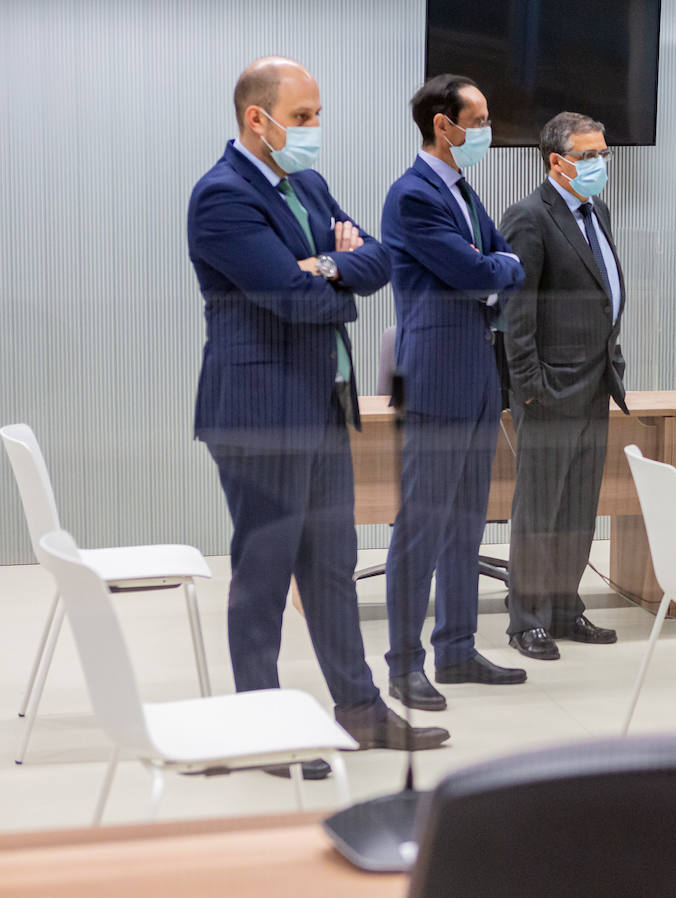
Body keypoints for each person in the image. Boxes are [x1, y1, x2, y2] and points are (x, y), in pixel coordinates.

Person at [187, 57, 450, 777]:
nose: (314, 130)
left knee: (332, 565)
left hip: (323, 404)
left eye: (315, 115)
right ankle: (262, 726)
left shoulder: (307, 183)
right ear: (256, 119)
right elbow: (291, 300)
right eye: (302, 117)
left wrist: (325, 268)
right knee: (265, 573)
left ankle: (360, 709)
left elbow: (379, 259)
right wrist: (330, 276)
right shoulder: (221, 196)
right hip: (260, 413)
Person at [380, 74, 528, 711]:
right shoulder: (413, 196)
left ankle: (458, 648)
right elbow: (478, 270)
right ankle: (404, 664)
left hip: (475, 375)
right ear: (445, 125)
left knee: (467, 523)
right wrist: (491, 267)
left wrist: (491, 267)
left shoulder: (464, 191)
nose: (488, 131)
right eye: (482, 118)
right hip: (434, 377)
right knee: (421, 524)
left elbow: (503, 260)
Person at [500, 112, 627, 661]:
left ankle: (562, 606)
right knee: (539, 509)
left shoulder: (593, 209)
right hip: (549, 388)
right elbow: (516, 310)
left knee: (578, 505)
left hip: (594, 381)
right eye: (589, 156)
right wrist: (530, 386)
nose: (600, 164)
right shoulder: (529, 217)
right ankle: (525, 617)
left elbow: (602, 292)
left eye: (604, 154)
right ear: (557, 160)